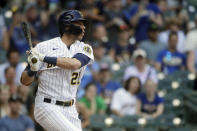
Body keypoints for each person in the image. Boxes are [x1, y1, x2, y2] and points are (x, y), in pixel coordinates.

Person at [20, 10, 94, 131]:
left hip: (70, 108)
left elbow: (75, 64)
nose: (84, 27)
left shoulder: (85, 48)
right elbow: (24, 81)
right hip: (46, 106)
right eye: (79, 23)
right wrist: (33, 69)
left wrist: (43, 58)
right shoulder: (43, 47)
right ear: (67, 25)